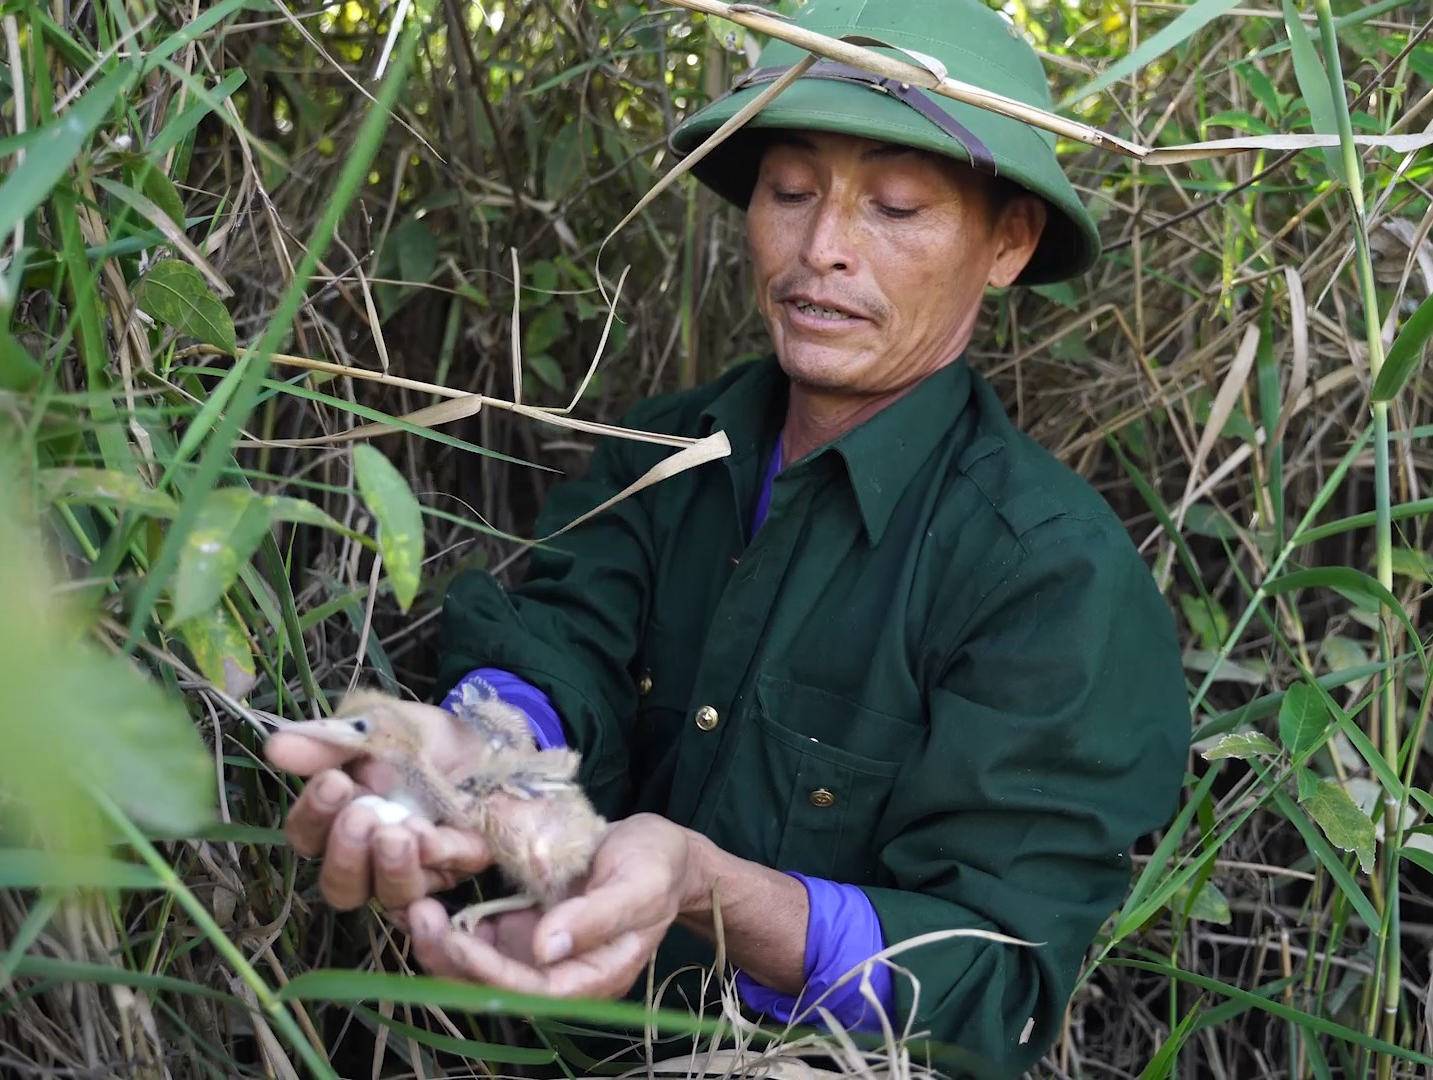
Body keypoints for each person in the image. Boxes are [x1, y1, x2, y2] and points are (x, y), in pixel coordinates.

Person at [264, 0, 1190, 1073]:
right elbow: (568, 638)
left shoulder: (1051, 577)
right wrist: (475, 757)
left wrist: (712, 891)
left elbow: (995, 986)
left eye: (895, 206)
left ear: (1010, 241)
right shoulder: (664, 453)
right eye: (791, 191)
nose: (823, 249)